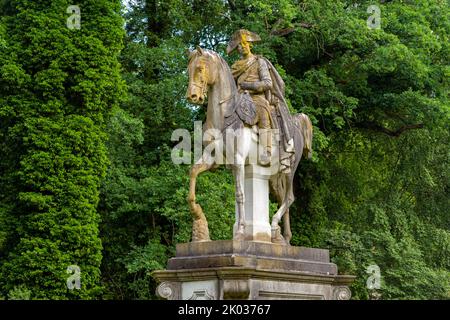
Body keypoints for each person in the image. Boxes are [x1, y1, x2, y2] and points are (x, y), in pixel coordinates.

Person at [227, 29, 295, 172]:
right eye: (239, 45)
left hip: (257, 97)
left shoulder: (260, 62)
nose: (242, 47)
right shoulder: (235, 66)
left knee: (263, 111)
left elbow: (267, 83)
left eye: (244, 44)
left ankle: (267, 150)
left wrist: (250, 86)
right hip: (239, 98)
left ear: (249, 44)